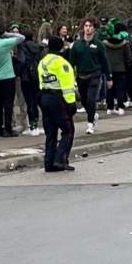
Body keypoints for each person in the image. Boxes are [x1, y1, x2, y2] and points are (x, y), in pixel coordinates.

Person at [38, 36, 77, 172]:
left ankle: (49, 163)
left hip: (44, 98)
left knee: (51, 132)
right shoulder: (62, 63)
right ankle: (60, 159)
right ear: (61, 47)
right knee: (68, 130)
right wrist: (71, 103)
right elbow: (67, 85)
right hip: (58, 99)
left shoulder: (42, 62)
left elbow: (40, 82)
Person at [69, 18, 111, 134]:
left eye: (90, 26)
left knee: (91, 99)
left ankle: (90, 123)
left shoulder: (99, 45)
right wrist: (70, 77)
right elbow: (71, 63)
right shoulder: (77, 45)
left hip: (95, 75)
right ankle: (93, 114)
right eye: (86, 26)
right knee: (83, 100)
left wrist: (109, 77)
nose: (88, 28)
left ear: (94, 29)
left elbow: (104, 62)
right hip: (81, 76)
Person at [0, 21, 25, 137]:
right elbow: (21, 38)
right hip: (7, 77)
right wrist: (6, 34)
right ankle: (8, 128)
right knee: (8, 104)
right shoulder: (5, 43)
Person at [16, 30, 43, 135]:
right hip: (36, 76)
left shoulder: (22, 47)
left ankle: (32, 125)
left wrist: (18, 72)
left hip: (26, 77)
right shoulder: (38, 47)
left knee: (29, 101)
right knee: (36, 101)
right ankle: (37, 123)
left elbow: (22, 61)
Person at [103, 27, 131, 115]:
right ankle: (121, 107)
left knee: (109, 89)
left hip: (109, 68)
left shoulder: (105, 44)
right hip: (121, 68)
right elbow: (129, 57)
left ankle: (110, 107)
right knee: (120, 89)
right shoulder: (124, 44)